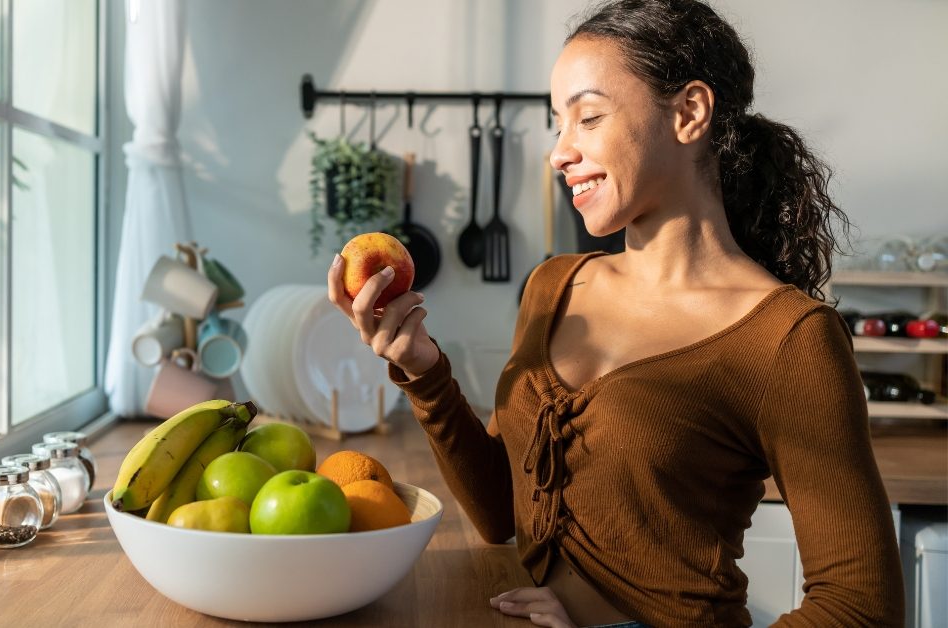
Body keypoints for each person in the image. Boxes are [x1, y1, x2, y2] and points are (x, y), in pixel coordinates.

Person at [326, 0, 904, 626]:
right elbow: (500, 512)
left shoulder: (788, 338)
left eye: (589, 118)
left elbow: (861, 608)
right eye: (557, 125)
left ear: (689, 113)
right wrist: (423, 368)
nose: (559, 153)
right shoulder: (553, 287)